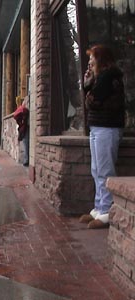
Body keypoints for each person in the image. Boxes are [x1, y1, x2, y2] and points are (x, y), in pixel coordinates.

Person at [79, 44, 125, 229]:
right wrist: (89, 84)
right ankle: (99, 206)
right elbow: (90, 99)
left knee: (105, 170)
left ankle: (106, 210)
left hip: (107, 128)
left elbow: (92, 101)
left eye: (92, 58)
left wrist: (89, 89)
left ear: (101, 59)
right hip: (97, 127)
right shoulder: (100, 78)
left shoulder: (109, 77)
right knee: (96, 169)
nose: (89, 62)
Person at [13, 96, 30, 166]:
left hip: (23, 128)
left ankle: (26, 160)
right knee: (25, 144)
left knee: (25, 144)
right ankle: (26, 159)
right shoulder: (22, 110)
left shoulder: (21, 110)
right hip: (24, 128)